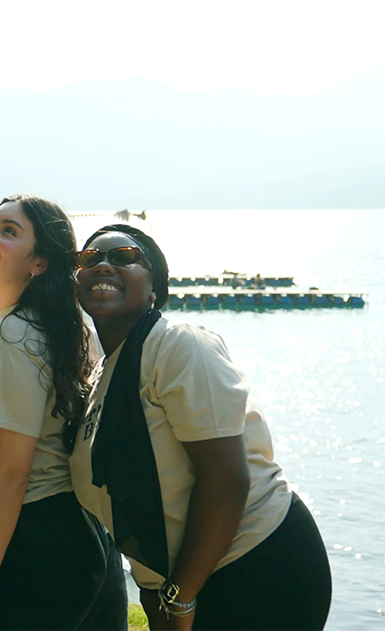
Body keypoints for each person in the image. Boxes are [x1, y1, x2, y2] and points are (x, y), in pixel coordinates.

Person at [70, 224, 331, 631]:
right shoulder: (105, 373)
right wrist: (157, 592)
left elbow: (226, 480)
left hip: (256, 564)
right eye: (88, 259)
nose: (103, 265)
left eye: (123, 256)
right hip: (184, 580)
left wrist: (181, 598)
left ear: (155, 287)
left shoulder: (177, 345)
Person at [0, 195, 125, 630]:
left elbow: (11, 473)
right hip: (65, 535)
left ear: (40, 263)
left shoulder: (14, 336)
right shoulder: (36, 326)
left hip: (30, 545)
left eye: (8, 231)